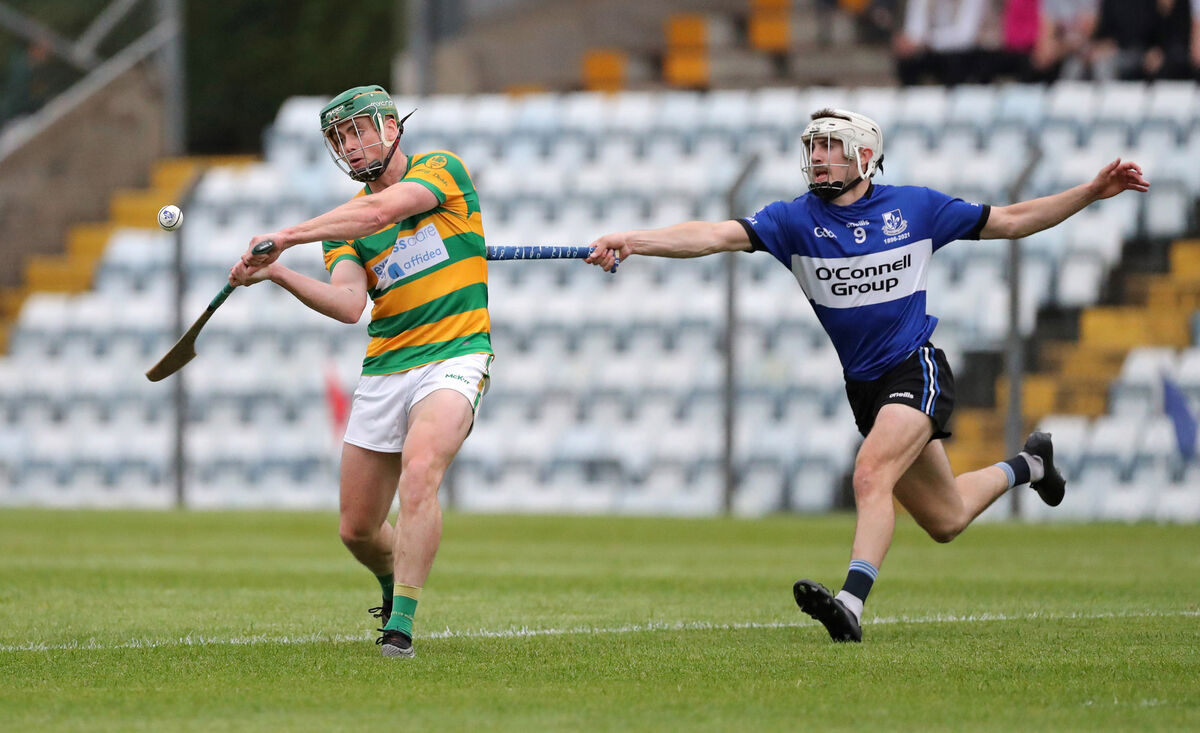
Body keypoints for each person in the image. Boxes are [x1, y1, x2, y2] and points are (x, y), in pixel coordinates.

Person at [586, 108, 1149, 642]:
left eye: (830, 146)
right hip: (867, 390)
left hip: (916, 368)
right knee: (945, 517)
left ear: (865, 155)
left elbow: (1013, 220)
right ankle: (1031, 464)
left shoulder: (917, 208)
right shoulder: (793, 220)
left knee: (869, 473)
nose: (819, 158)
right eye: (813, 148)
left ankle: (851, 604)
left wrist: (1090, 193)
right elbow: (710, 236)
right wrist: (633, 241)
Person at [229, 85, 493, 658]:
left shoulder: (440, 170)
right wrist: (277, 273)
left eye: (358, 130)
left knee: (421, 471)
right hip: (386, 366)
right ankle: (387, 582)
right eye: (339, 139)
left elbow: (381, 209)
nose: (351, 147)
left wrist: (289, 234)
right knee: (357, 529)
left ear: (392, 127)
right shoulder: (344, 228)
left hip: (456, 352)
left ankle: (400, 625)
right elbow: (349, 305)